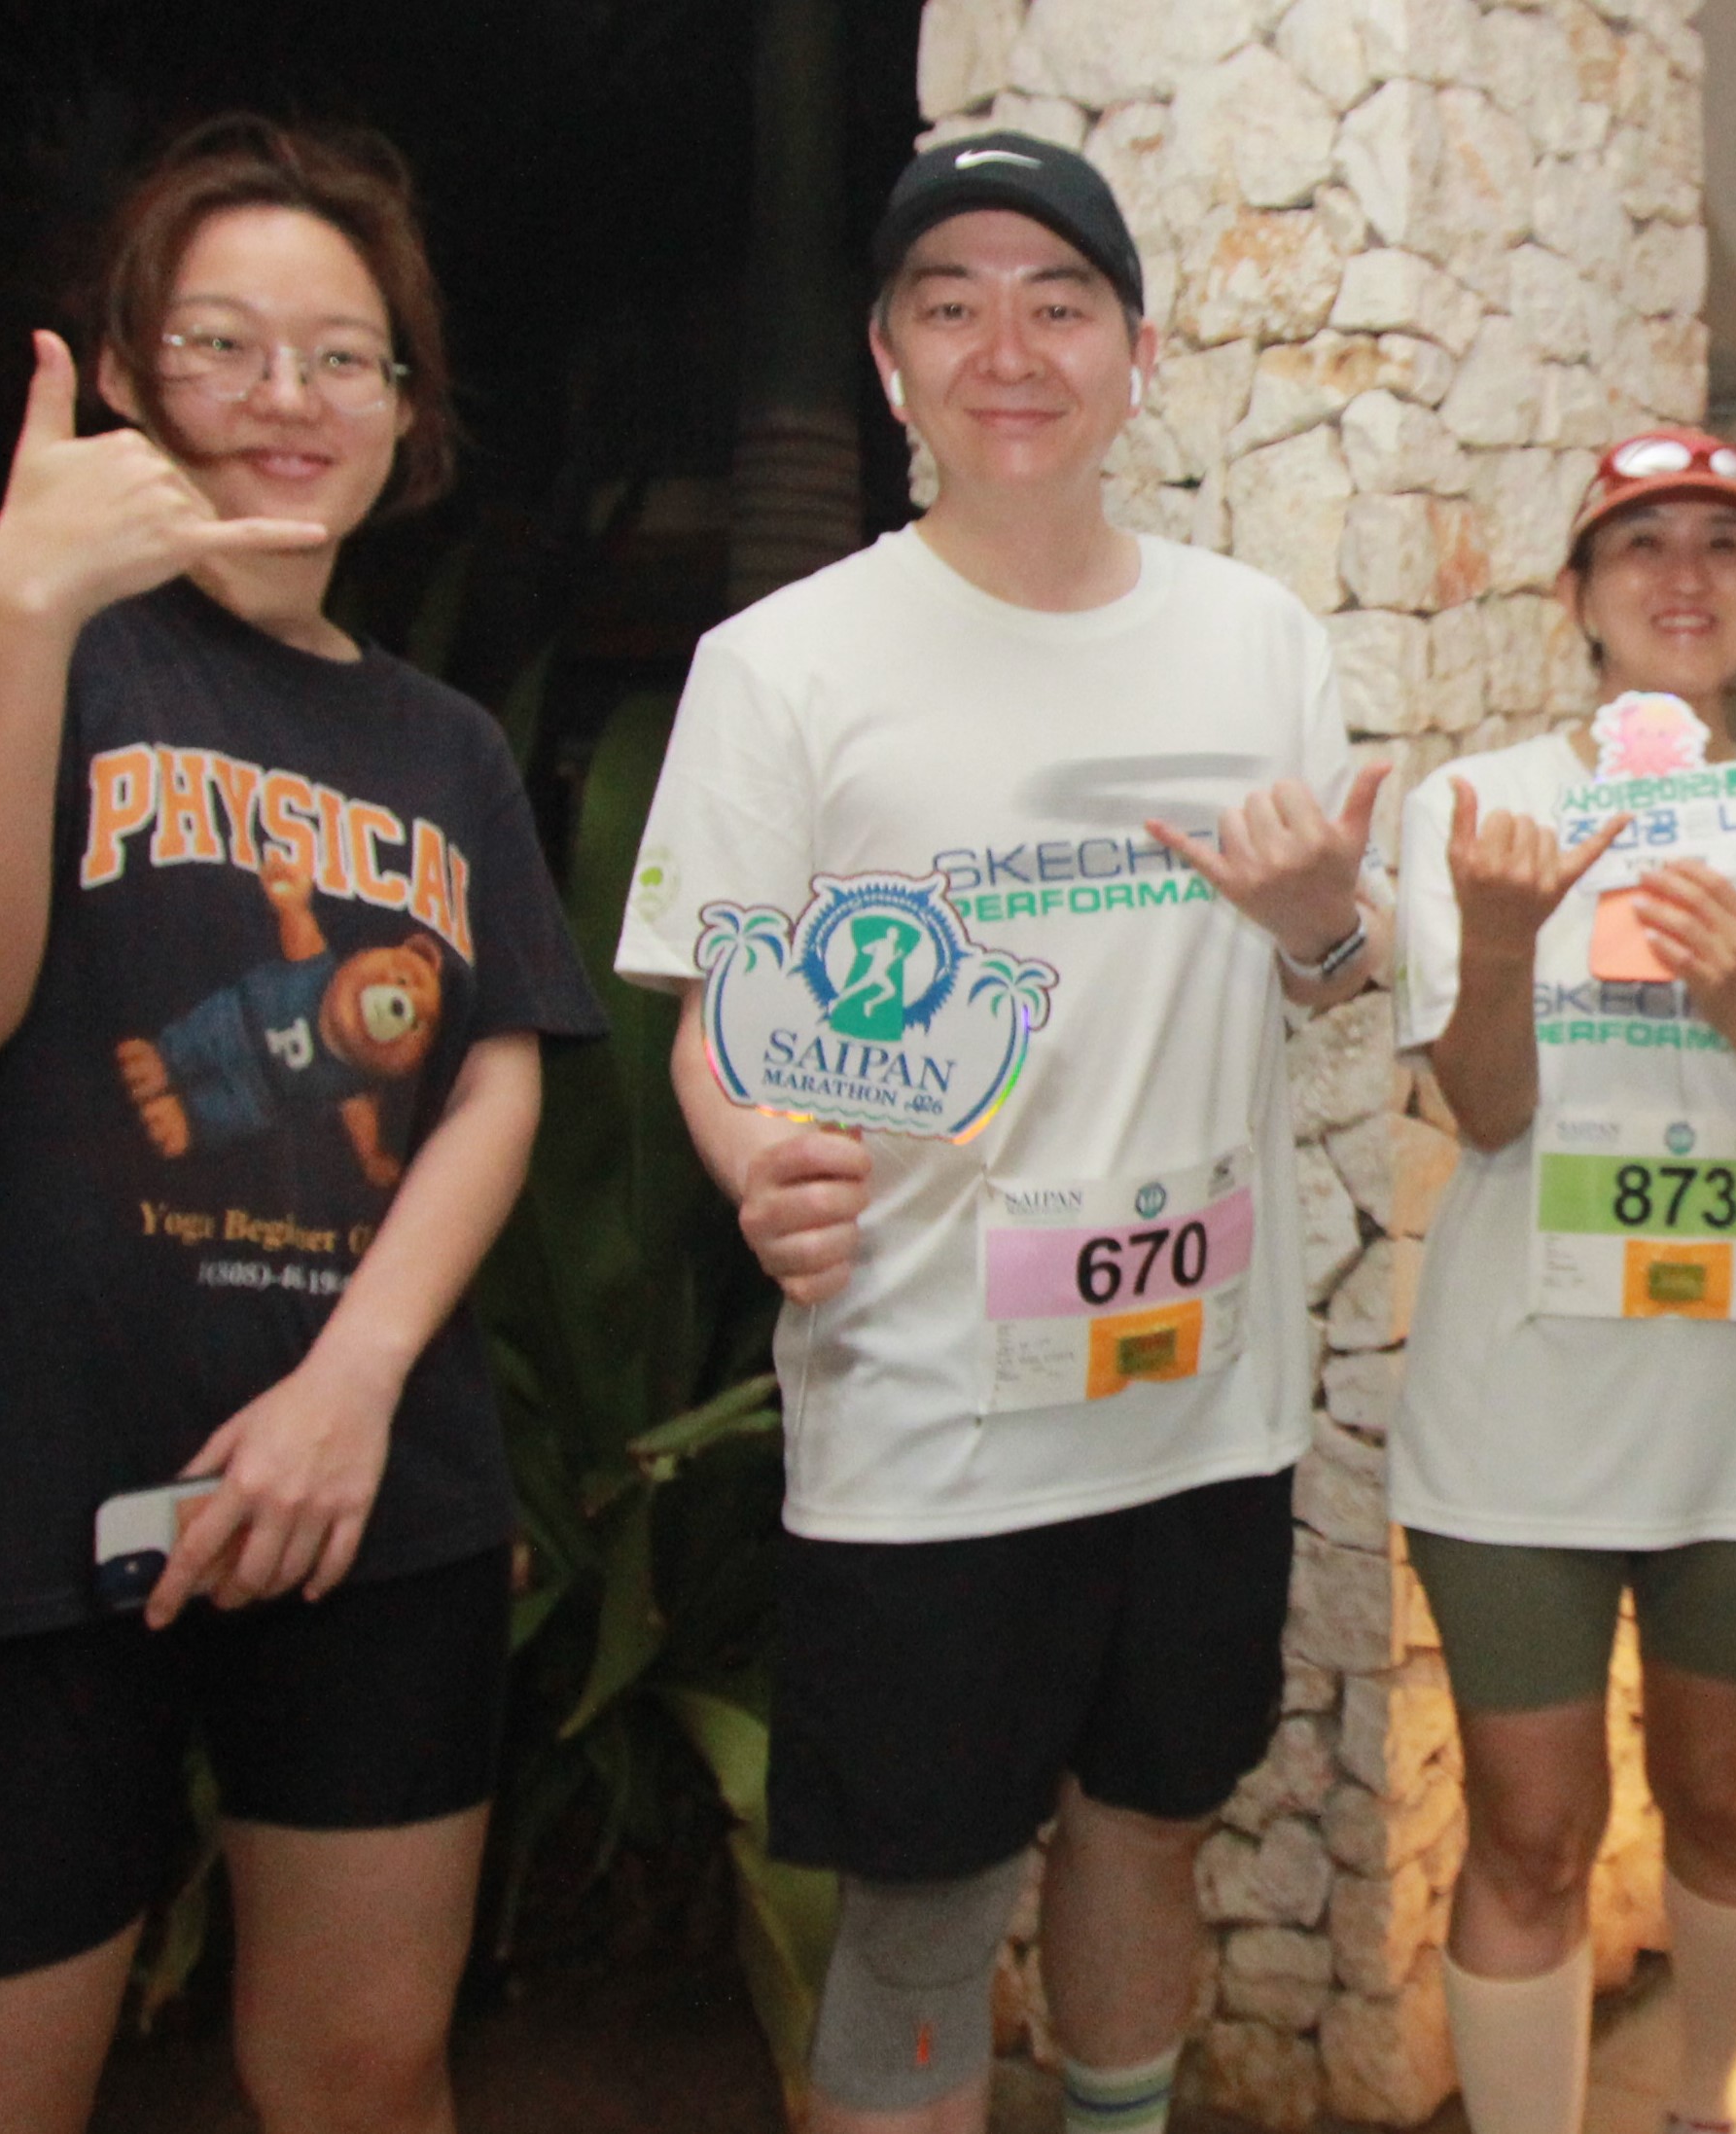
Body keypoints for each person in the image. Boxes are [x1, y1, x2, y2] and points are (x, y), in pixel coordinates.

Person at [0, 117, 601, 2134]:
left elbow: (492, 1067)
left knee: (367, 2069)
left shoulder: (443, 745)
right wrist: (23, 609)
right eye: (224, 343)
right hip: (3, 1504)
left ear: (406, 408)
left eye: (344, 356)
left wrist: (355, 1383)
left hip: (368, 1498)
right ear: (126, 372)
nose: (288, 397)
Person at [612, 134, 1384, 2134]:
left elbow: (1332, 968)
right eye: (950, 304)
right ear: (890, 362)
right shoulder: (782, 664)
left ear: (1139, 354)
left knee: (1150, 1825)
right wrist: (757, 1161)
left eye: (1059, 301)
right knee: (923, 1901)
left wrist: (1324, 923)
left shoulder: (1257, 639)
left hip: (1200, 1406)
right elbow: (719, 1018)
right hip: (926, 1412)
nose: (1008, 347)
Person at [1392, 429, 1736, 2134]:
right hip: (1518, 1404)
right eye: (1641, 545)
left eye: (1723, 546)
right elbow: (1483, 1109)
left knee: (1729, 1791)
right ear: (1577, 596)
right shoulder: (1477, 814)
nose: (1684, 577)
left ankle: (1713, 2103)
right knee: (1532, 1829)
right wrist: (1494, 943)